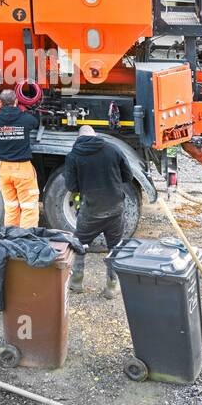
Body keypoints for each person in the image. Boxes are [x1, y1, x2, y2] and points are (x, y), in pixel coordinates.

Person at [63, 125, 133, 299]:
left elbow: (71, 186)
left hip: (91, 210)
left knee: (79, 244)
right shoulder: (112, 149)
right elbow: (128, 176)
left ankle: (77, 281)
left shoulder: (73, 156)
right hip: (115, 208)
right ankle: (111, 286)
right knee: (114, 246)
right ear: (95, 135)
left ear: (78, 138)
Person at [0, 88, 39, 228]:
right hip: (22, 168)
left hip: (4, 168)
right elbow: (35, 122)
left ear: (0, 103)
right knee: (28, 206)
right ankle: (26, 239)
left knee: (11, 206)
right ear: (16, 101)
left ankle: (11, 237)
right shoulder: (26, 119)